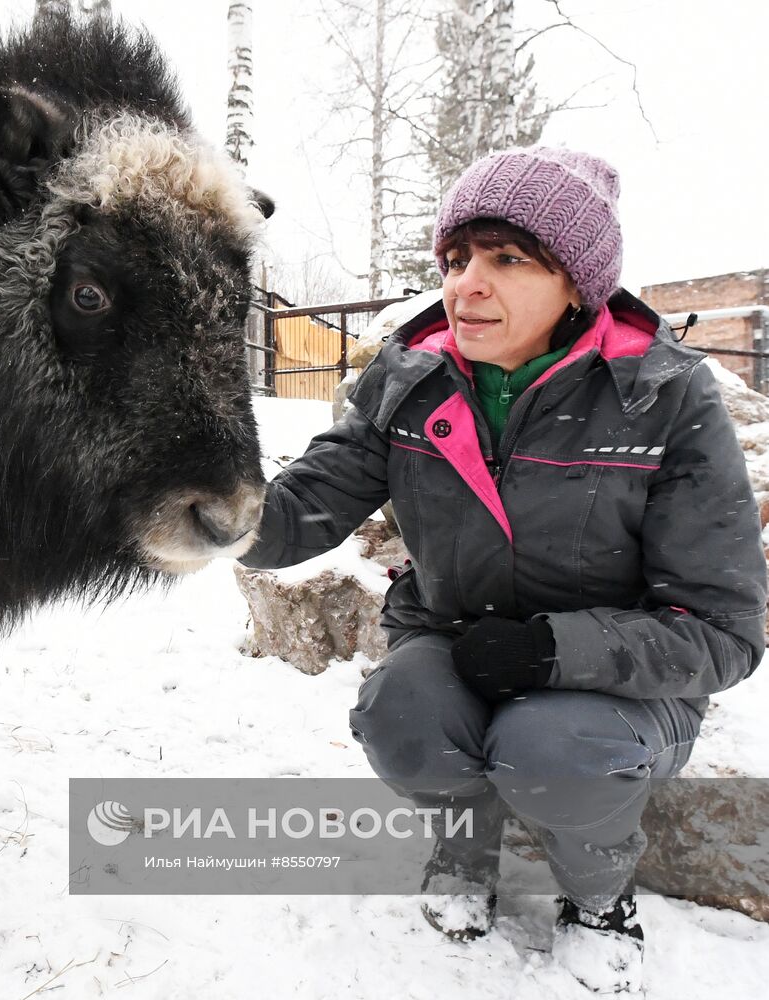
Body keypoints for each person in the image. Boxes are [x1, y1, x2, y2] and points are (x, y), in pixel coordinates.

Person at [239, 146, 766, 994]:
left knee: (548, 746)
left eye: (507, 258)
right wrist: (184, 499)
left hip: (616, 687)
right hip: (452, 644)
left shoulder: (666, 400)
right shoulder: (409, 379)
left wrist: (549, 654)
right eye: (456, 259)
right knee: (399, 714)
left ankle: (597, 894)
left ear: (576, 285)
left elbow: (722, 633)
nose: (465, 284)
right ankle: (464, 844)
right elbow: (298, 510)